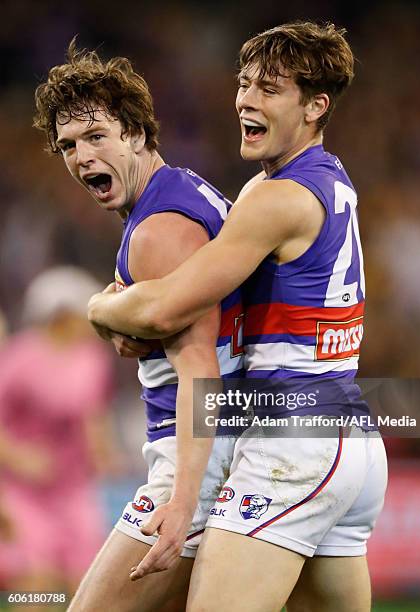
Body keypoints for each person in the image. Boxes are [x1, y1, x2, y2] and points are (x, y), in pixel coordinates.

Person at [87, 21, 388, 612]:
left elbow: (168, 304)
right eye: (244, 83)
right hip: (346, 437)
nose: (246, 100)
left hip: (293, 439)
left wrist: (101, 307)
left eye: (270, 89)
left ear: (314, 107)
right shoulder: (322, 182)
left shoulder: (277, 199)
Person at [33, 42, 243, 611]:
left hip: (193, 458)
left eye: (97, 136)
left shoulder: (159, 230)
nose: (81, 156)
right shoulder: (181, 191)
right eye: (69, 145)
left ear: (135, 133)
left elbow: (200, 366)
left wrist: (182, 499)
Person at [0, 267, 118, 602]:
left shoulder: (91, 359)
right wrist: (19, 458)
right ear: (62, 315)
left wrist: (106, 458)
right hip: (25, 491)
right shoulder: (19, 358)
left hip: (74, 487)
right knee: (36, 583)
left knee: (86, 579)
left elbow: (94, 416)